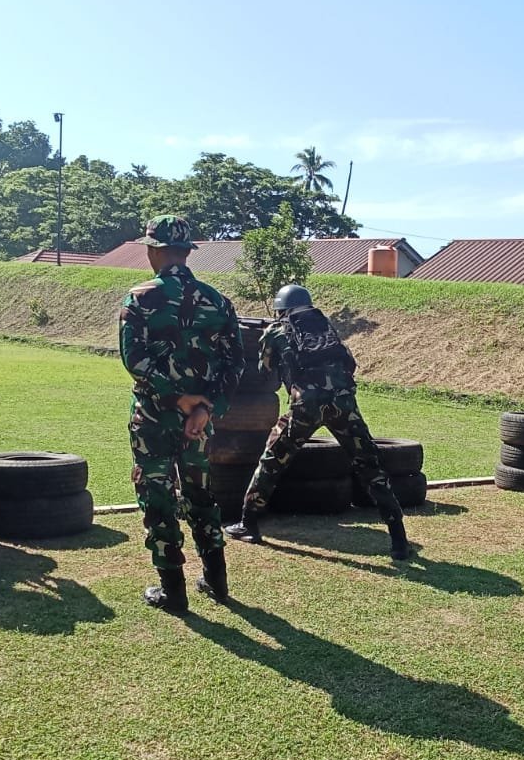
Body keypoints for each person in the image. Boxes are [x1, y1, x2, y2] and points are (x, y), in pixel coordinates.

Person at [224, 284, 411, 559]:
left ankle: (249, 524)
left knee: (271, 460)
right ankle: (399, 539)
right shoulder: (326, 326)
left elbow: (263, 372)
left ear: (282, 308)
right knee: (369, 465)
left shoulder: (276, 331)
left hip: (305, 406)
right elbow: (349, 364)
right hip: (344, 404)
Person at [120, 214, 244, 614]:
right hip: (199, 424)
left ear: (153, 251)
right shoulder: (218, 301)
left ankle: (172, 590)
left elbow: (134, 361)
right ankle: (217, 580)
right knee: (200, 493)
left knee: (157, 496)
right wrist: (206, 408)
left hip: (154, 417)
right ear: (187, 253)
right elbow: (235, 364)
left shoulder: (139, 298)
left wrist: (177, 401)